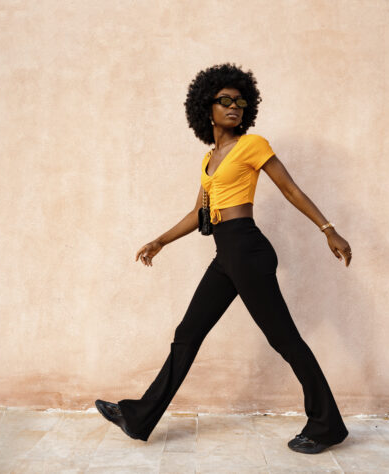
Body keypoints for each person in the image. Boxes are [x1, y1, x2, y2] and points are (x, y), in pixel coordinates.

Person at [95, 63, 352, 454]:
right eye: (225, 100)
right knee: (187, 335)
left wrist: (327, 228)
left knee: (284, 340)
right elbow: (199, 211)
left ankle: (327, 425)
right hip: (226, 254)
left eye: (241, 101)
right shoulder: (208, 160)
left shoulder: (252, 145)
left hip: (248, 250)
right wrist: (160, 240)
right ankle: (138, 416)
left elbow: (290, 189)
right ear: (206, 108)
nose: (235, 107)